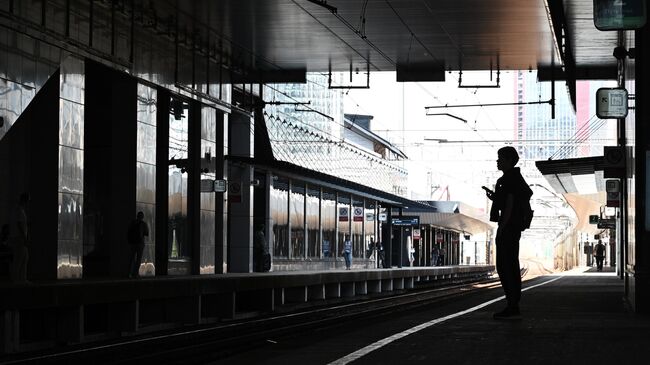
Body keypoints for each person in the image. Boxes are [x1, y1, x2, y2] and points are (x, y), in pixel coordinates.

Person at [484, 146, 532, 320]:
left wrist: (502, 228)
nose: (497, 161)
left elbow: (510, 204)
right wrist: (495, 197)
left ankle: (512, 304)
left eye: (500, 158)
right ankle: (513, 303)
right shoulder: (513, 178)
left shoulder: (510, 179)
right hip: (512, 228)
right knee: (509, 265)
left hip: (508, 228)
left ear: (509, 160)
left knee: (505, 266)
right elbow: (508, 200)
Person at [10, 193, 30, 283]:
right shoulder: (19, 210)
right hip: (19, 238)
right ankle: (17, 279)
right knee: (20, 259)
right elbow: (19, 225)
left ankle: (21, 278)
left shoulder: (19, 210)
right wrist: (24, 237)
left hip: (19, 237)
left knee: (23, 257)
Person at [127, 211, 149, 278]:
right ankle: (135, 274)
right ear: (142, 217)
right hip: (140, 243)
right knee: (138, 259)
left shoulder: (132, 223)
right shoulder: (143, 224)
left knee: (131, 258)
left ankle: (129, 273)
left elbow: (128, 232)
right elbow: (146, 233)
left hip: (132, 244)